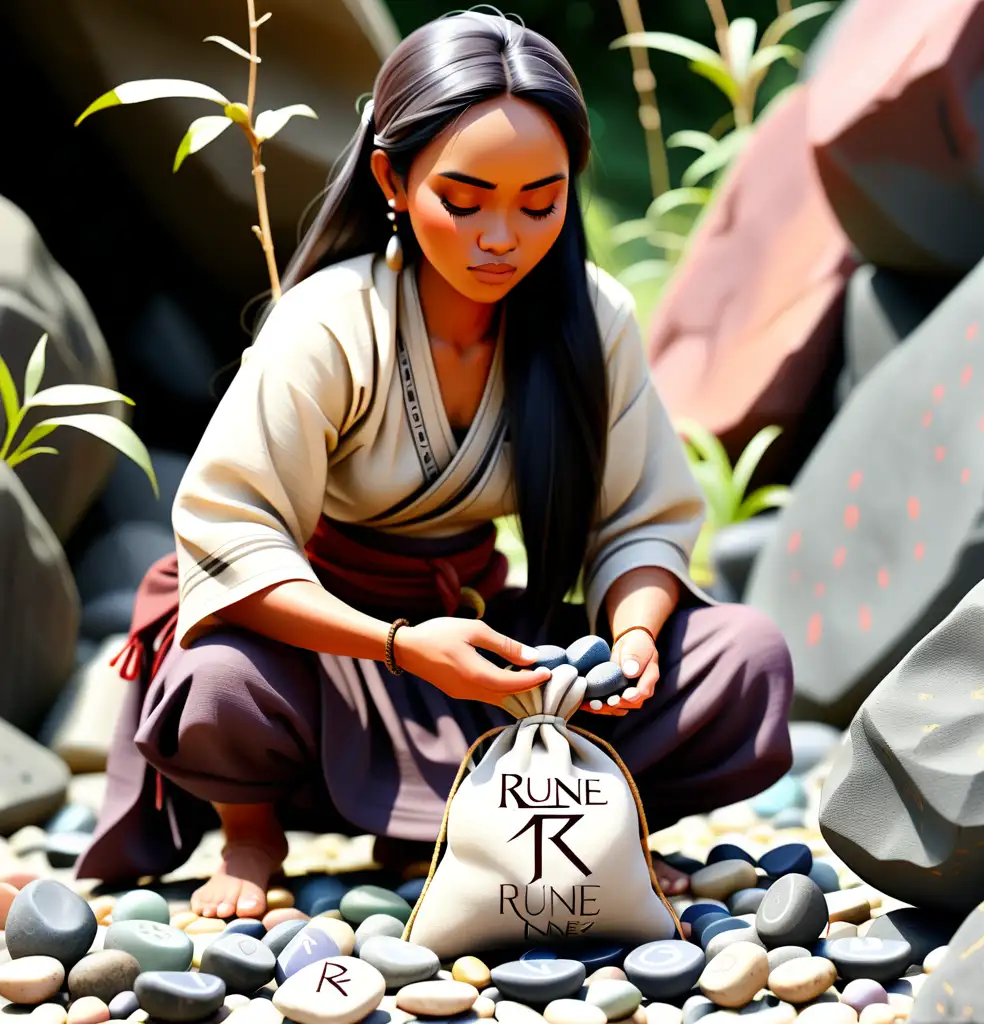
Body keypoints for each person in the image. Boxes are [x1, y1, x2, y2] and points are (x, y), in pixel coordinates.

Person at [76, 8, 794, 920]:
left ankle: (591, 830)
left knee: (743, 657)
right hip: (323, 648)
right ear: (391, 175)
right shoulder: (331, 321)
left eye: (540, 202)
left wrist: (637, 640)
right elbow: (232, 533)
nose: (503, 236)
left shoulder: (592, 319)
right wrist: (400, 645)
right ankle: (252, 834)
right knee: (216, 675)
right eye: (465, 200)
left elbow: (642, 518)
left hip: (482, 637)